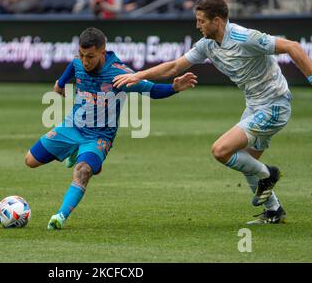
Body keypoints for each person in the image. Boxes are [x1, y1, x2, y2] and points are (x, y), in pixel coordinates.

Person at [113, 0, 312, 225]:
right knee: (246, 163)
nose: (197, 25)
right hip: (254, 105)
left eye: (202, 21)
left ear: (218, 21)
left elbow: (293, 47)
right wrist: (137, 75)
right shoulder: (207, 45)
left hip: (275, 105)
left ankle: (268, 175)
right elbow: (173, 66)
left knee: (221, 151)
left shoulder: (245, 37)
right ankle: (274, 211)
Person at [24, 27, 198, 230]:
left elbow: (152, 90)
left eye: (90, 56)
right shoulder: (78, 61)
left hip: (98, 136)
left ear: (102, 52)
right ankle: (74, 150)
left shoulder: (118, 74)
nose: (85, 61)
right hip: (71, 127)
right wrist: (60, 85)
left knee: (83, 171)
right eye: (82, 55)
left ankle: (60, 216)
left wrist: (174, 88)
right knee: (30, 161)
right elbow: (72, 66)